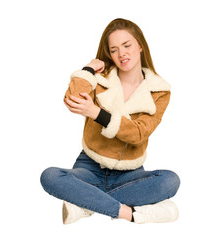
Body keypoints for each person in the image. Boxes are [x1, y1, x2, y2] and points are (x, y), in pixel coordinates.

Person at [40, 18, 180, 224]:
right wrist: (87, 70)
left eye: (127, 45)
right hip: (89, 166)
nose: (121, 53)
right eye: (114, 50)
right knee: (50, 176)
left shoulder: (160, 90)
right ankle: (131, 214)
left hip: (129, 173)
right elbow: (72, 100)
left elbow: (139, 134)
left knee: (170, 181)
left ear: (140, 45)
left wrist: (97, 113)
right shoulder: (100, 78)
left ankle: (85, 204)